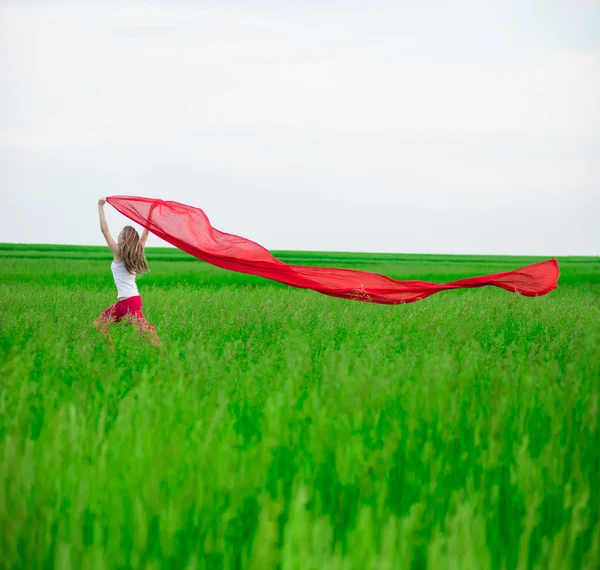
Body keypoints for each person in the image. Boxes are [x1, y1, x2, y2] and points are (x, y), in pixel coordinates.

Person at [94, 198, 161, 346]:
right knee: (99, 325)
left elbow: (105, 231)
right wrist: (150, 214)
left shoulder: (118, 253)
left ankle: (163, 353)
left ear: (124, 239)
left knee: (145, 332)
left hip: (130, 302)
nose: (117, 236)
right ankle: (110, 354)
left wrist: (100, 206)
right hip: (126, 302)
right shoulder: (135, 252)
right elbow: (144, 235)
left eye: (120, 234)